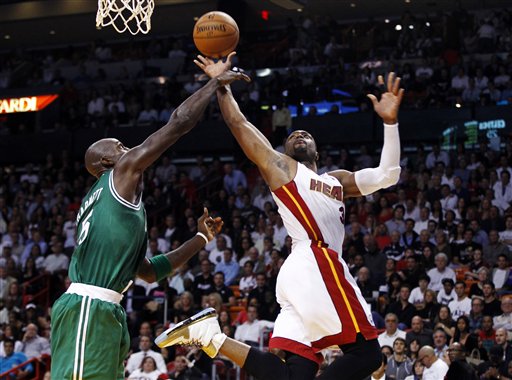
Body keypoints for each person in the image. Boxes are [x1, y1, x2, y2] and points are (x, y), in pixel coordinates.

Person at [157, 56, 404, 379]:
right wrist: (220, 85)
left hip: (298, 275)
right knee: (368, 354)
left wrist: (390, 123)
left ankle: (210, 337)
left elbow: (388, 174)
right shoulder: (284, 169)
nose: (298, 135)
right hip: (315, 260)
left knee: (295, 374)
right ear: (286, 153)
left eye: (305, 135)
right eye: (292, 137)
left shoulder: (337, 181)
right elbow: (240, 125)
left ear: (317, 152)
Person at [49, 69, 246, 379]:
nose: (127, 149)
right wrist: (213, 84)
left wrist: (200, 237)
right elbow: (178, 124)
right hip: (88, 304)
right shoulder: (117, 175)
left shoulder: (111, 204)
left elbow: (149, 272)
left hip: (108, 307)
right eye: (118, 146)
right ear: (105, 163)